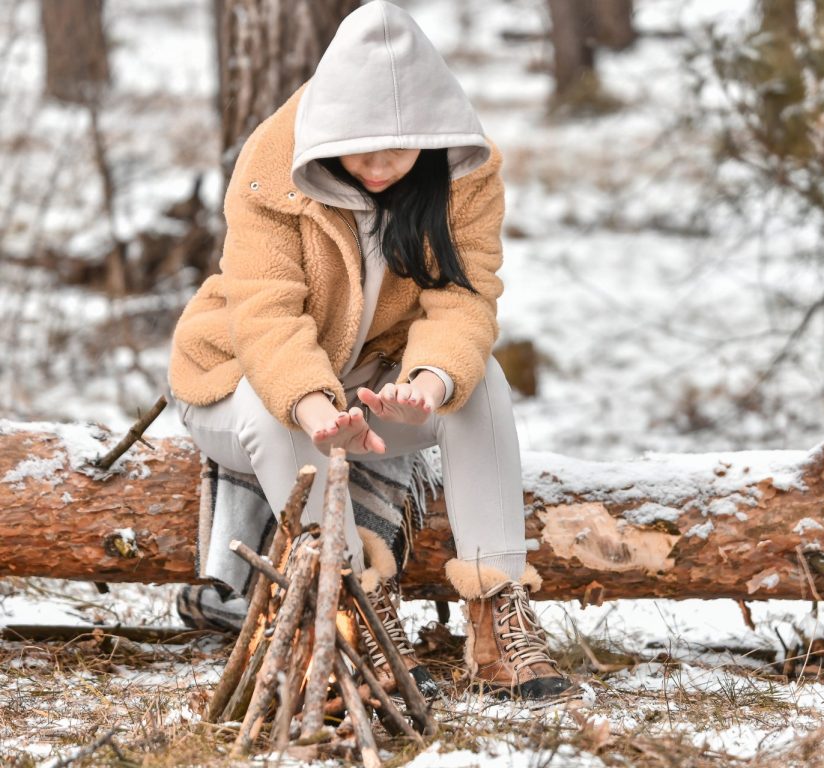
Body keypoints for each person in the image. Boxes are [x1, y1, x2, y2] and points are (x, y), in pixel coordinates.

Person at [166, 1, 570, 700]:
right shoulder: (270, 168)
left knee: (487, 385)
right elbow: (267, 318)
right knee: (276, 413)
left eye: (399, 147)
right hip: (244, 382)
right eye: (361, 147)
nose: (381, 165)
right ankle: (357, 607)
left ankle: (497, 614)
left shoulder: (464, 172)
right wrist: (317, 409)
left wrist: (431, 383)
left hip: (375, 383)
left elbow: (463, 300)